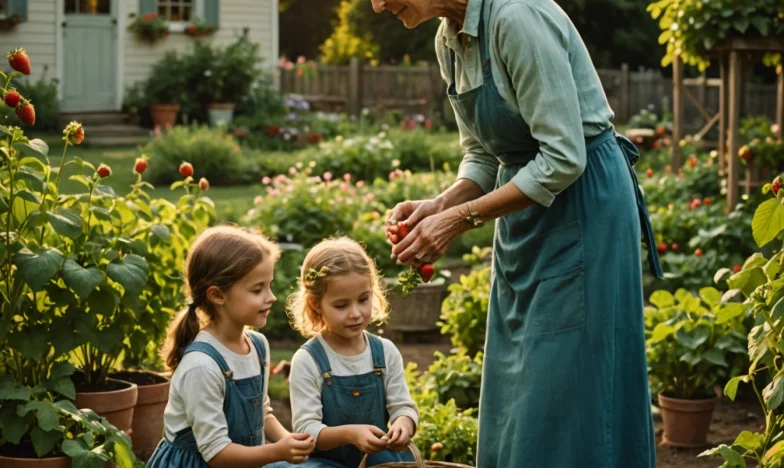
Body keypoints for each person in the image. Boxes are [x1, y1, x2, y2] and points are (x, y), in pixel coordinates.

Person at [371, 0, 664, 466]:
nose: (378, 4)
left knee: (569, 383)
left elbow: (565, 156)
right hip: (522, 215)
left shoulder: (515, 18)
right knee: (518, 381)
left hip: (584, 205)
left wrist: (459, 219)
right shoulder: (449, 38)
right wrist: (441, 204)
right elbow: (484, 155)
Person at [147, 225, 316, 468]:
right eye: (257, 289)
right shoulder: (201, 366)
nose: (271, 297)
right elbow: (217, 455)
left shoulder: (257, 346)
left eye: (268, 285)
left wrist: (288, 441)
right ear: (217, 295)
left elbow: (262, 412)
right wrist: (277, 452)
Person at [286, 237, 419, 467]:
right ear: (316, 304)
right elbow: (306, 430)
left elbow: (402, 406)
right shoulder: (309, 360)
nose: (356, 313)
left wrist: (403, 423)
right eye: (341, 305)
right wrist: (350, 435)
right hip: (324, 463)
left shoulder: (385, 352)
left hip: (377, 461)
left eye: (363, 299)